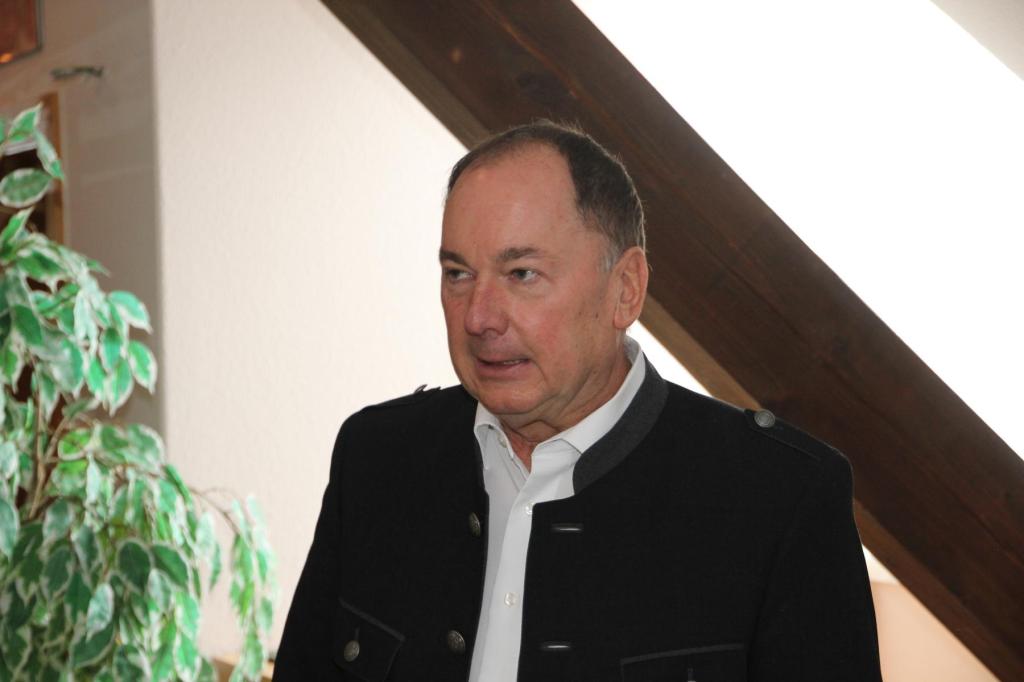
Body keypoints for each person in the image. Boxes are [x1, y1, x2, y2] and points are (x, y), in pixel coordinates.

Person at [274, 121, 882, 681]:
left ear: (625, 289)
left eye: (522, 274)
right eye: (458, 273)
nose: (478, 317)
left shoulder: (779, 498)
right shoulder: (379, 458)